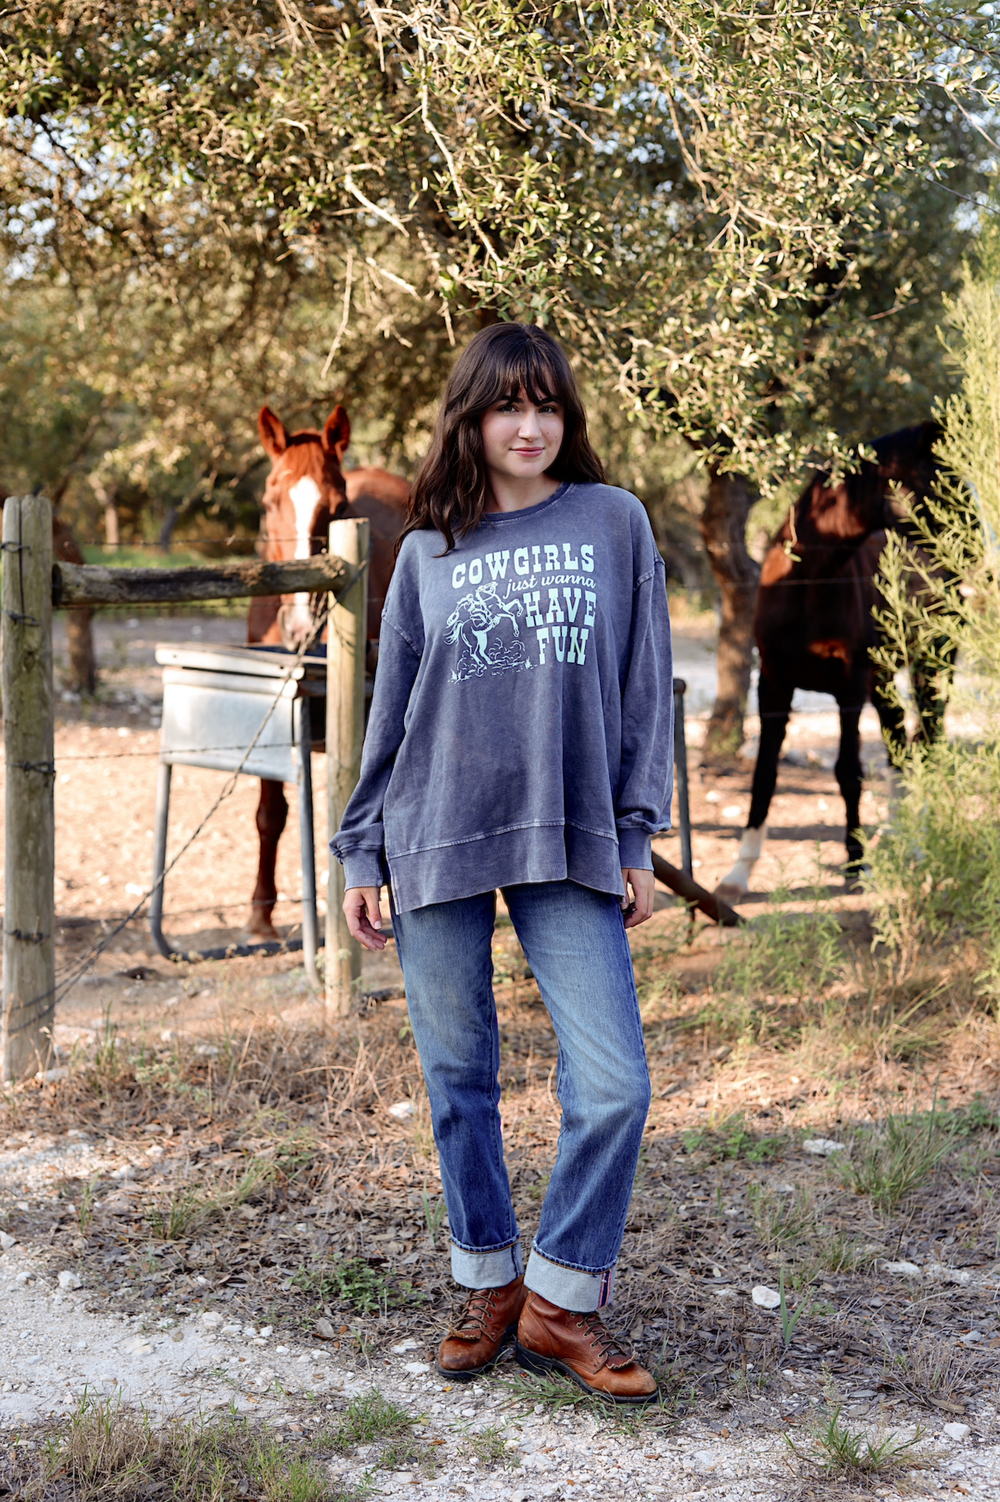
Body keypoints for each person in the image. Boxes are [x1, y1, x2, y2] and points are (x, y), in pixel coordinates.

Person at [332, 322, 673, 1405]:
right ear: (471, 419)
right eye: (506, 406)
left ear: (567, 419)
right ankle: (486, 1278)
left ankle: (562, 1301)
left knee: (614, 1083)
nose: (529, 426)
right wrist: (360, 845)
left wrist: (635, 834)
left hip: (566, 835)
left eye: (548, 406)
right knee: (459, 1079)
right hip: (431, 827)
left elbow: (639, 682)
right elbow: (392, 712)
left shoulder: (612, 523)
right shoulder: (429, 548)